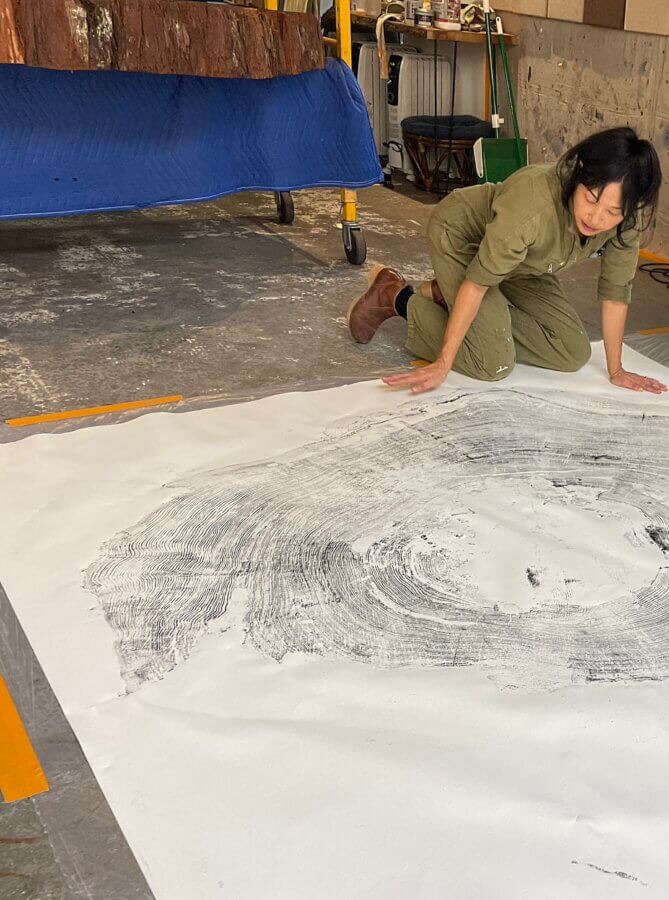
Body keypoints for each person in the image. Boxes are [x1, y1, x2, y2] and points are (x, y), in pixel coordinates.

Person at [347, 127, 666, 395]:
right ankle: (396, 296)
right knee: (490, 361)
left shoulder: (627, 220)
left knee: (572, 351)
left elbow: (615, 292)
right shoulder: (532, 205)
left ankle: (457, 303)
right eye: (591, 199)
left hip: (524, 264)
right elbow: (477, 281)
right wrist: (444, 362)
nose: (597, 218)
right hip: (465, 239)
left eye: (612, 212)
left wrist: (617, 370)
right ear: (579, 173)